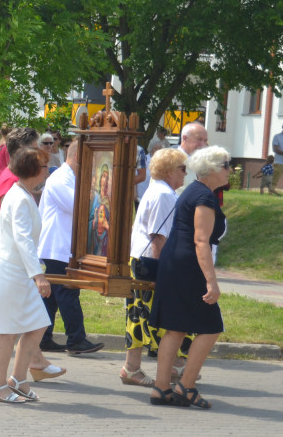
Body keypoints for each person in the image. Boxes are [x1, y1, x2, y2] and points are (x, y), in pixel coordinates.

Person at [0, 128, 63, 382]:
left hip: (6, 250)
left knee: (20, 315)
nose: (42, 151)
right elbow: (19, 231)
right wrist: (37, 273)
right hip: (2, 249)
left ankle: (29, 365)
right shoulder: (10, 182)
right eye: (37, 146)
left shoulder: (11, 179)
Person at [147, 146, 231, 408]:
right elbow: (201, 241)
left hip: (174, 262)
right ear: (214, 169)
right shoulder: (204, 197)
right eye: (227, 165)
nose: (231, 170)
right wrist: (212, 281)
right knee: (211, 327)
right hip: (187, 265)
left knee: (176, 327)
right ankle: (186, 385)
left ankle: (162, 388)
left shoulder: (193, 191)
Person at [0, 147, 53, 403]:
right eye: (45, 166)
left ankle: (18, 379)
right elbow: (22, 240)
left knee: (38, 323)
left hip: (17, 271)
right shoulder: (20, 198)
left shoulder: (22, 194)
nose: (48, 170)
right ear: (35, 171)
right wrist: (39, 275)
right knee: (7, 331)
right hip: (11, 271)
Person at [121, 147, 189, 387]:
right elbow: (159, 236)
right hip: (150, 262)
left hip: (141, 260)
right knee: (158, 316)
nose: (185, 173)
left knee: (139, 316)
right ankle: (168, 367)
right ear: (170, 171)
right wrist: (164, 272)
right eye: (182, 168)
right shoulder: (164, 195)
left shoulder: (158, 190)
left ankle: (136, 368)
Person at [37, 141, 104, 355]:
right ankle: (76, 339)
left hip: (63, 245)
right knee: (68, 291)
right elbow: (80, 207)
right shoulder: (60, 179)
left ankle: (42, 337)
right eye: (90, 161)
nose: (92, 166)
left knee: (53, 296)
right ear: (77, 157)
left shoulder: (71, 178)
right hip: (57, 245)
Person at [177, 121, 209, 189]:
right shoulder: (172, 162)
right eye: (199, 139)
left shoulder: (203, 163)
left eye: (205, 140)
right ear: (185, 138)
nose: (203, 144)